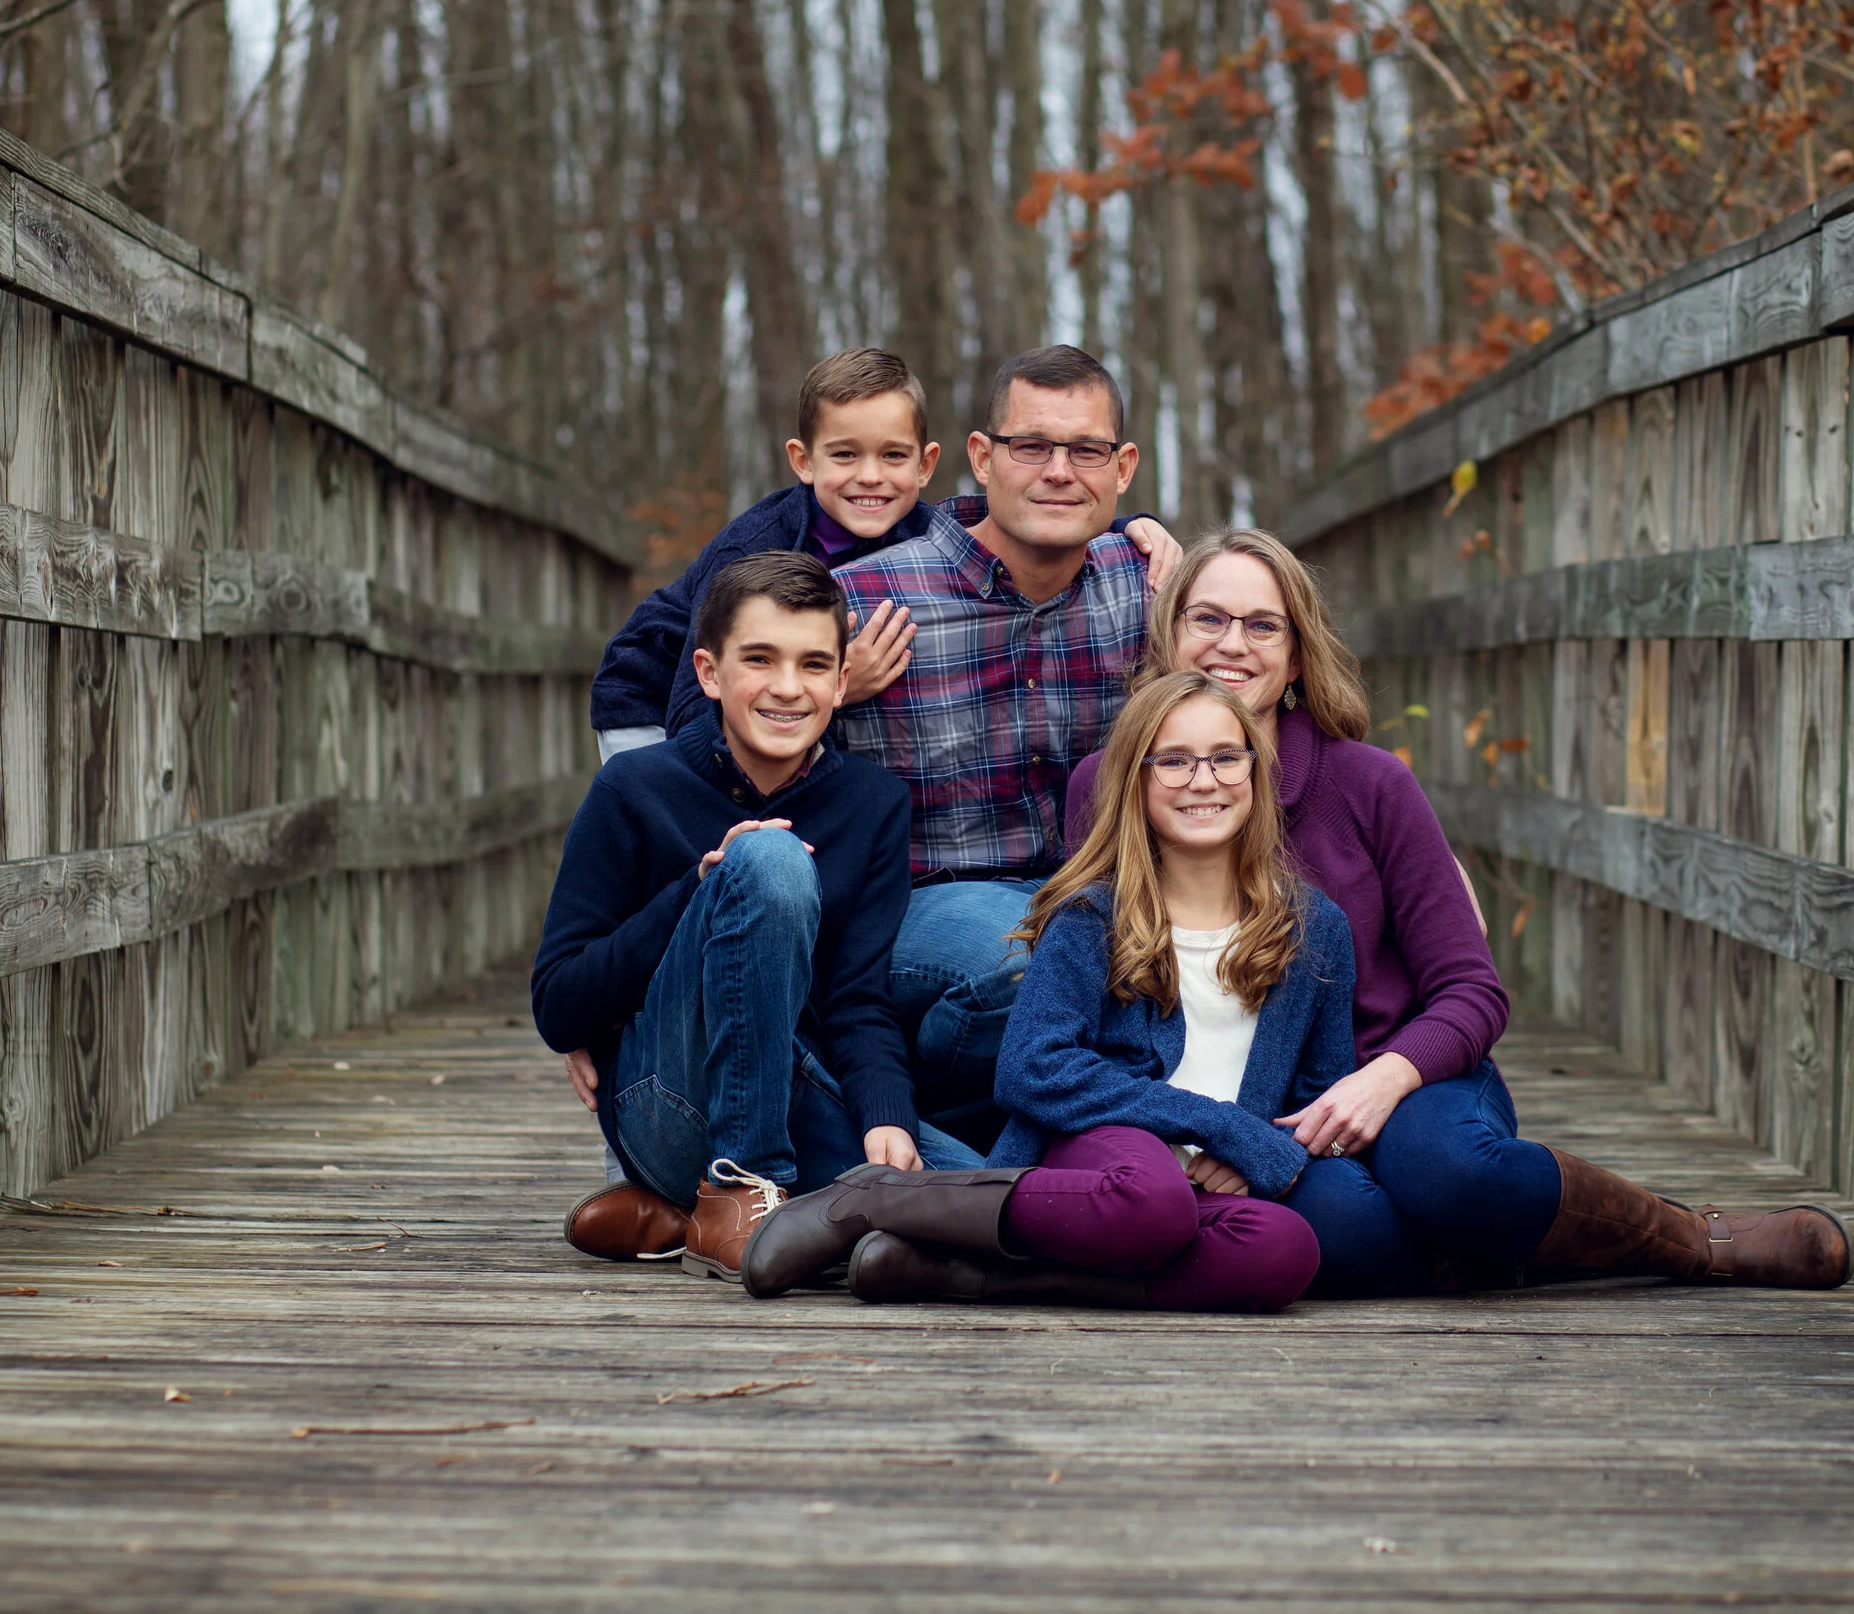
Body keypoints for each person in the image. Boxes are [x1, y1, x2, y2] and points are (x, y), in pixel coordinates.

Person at [1066, 530, 1854, 1295]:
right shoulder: (1110, 784)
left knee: (1455, 1173)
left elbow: (1472, 991)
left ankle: (1690, 1240)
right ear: (1168, 638)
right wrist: (1225, 1129)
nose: (1232, 643)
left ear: (1298, 655)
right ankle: (1489, 1256)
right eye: (1208, 618)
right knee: (1337, 1231)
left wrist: (1382, 1081)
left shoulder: (1370, 785)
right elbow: (1104, 979)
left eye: (1263, 624)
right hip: (1232, 1104)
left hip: (1402, 1074)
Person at [739, 672, 1340, 1312]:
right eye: (1174, 761)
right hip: (1100, 1150)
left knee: (1287, 1249)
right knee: (1153, 1203)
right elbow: (1031, 1067)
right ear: (1136, 781)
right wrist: (1220, 1125)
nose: (1204, 780)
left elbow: (1320, 1089)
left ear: (1255, 772)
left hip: (1211, 1183)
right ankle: (875, 1197)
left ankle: (960, 1275)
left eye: (1225, 758)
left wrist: (1257, 1147)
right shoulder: (1093, 915)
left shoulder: (1312, 927)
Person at [531, 552, 975, 1281]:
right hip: (667, 1102)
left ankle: (687, 1215)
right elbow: (557, 1004)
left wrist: (886, 1115)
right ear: (709, 672)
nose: (787, 688)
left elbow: (857, 999)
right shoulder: (635, 788)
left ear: (841, 680)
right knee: (768, 862)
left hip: (798, 1094)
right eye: (760, 659)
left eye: (812, 664)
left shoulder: (872, 802)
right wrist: (696, 893)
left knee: (984, 1196)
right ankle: (742, 1186)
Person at [830, 345, 1170, 1150]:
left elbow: (1266, 671)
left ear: (1121, 469)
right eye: (1031, 447)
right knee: (1035, 965)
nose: (1059, 470)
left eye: (1085, 450)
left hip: (1101, 898)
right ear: (983, 458)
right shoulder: (864, 601)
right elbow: (735, 745)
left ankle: (1018, 1165)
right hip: (927, 916)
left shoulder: (1154, 589)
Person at [588, 347, 1178, 762]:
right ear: (803, 461)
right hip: (649, 702)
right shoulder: (755, 556)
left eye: (893, 457)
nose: (870, 478)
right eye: (844, 455)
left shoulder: (919, 528)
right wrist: (839, 686)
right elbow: (697, 706)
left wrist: (1130, 526)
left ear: (925, 466)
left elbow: (1011, 521)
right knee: (676, 820)